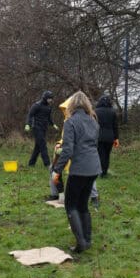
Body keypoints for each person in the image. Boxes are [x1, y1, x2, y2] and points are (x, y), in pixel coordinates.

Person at [52, 91, 101, 252]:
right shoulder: (93, 121)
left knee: (71, 205)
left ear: (71, 105)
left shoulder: (70, 122)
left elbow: (68, 150)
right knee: (83, 205)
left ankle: (81, 243)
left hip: (79, 169)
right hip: (94, 167)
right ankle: (87, 240)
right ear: (87, 104)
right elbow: (94, 144)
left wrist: (56, 170)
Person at [25, 90, 59, 167]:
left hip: (44, 128)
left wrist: (53, 125)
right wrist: (28, 124)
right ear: (45, 98)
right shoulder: (36, 105)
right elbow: (30, 115)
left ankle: (31, 163)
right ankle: (47, 164)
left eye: (51, 98)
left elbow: (49, 118)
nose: (51, 100)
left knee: (38, 146)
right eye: (49, 98)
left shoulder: (49, 107)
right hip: (36, 127)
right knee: (43, 145)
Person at [95, 95, 119, 177]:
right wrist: (116, 138)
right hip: (110, 137)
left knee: (100, 154)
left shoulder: (95, 111)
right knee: (107, 154)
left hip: (98, 136)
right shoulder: (112, 112)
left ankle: (100, 171)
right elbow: (115, 126)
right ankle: (104, 171)